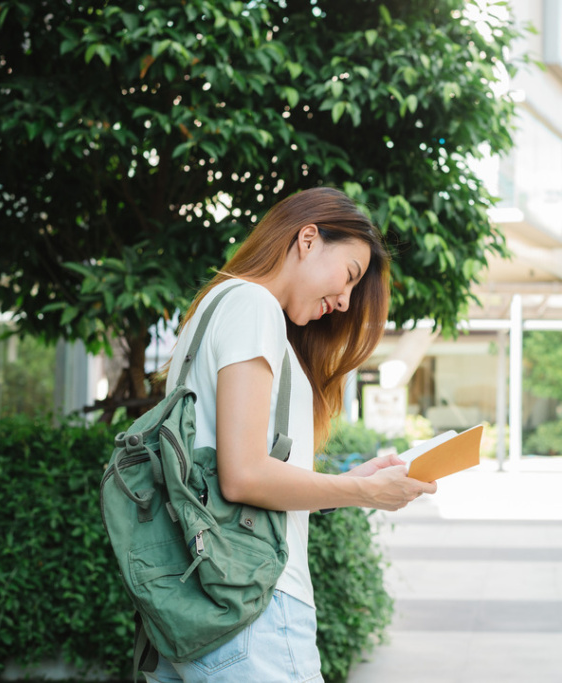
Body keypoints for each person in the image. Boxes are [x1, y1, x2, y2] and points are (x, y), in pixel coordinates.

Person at [145, 187, 436, 683]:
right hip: (254, 607)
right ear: (307, 238)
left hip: (197, 606)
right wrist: (364, 492)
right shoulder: (254, 306)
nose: (345, 301)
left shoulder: (213, 310)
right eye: (349, 276)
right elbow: (243, 477)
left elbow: (231, 472)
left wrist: (345, 485)